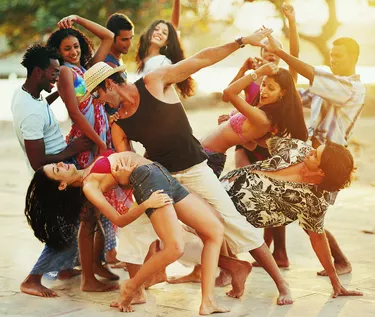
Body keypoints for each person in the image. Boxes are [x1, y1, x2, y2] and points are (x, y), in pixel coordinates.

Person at [83, 28, 295, 306]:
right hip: (162, 177)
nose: (98, 103)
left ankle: (281, 284)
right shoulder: (117, 121)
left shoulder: (154, 82)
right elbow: (130, 164)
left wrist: (242, 42)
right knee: (137, 228)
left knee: (232, 222)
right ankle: (137, 290)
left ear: (109, 85)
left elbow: (202, 59)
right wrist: (122, 183)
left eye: (97, 96)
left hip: (195, 168)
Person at [26, 150, 227, 315]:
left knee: (215, 230)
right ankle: (131, 285)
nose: (61, 164)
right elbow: (118, 220)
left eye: (57, 164)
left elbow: (120, 177)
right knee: (174, 247)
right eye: (57, 169)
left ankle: (207, 302)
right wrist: (146, 204)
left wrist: (123, 179)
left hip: (161, 174)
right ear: (62, 184)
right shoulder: (89, 187)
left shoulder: (88, 170)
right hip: (149, 181)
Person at [263, 34, 366, 275]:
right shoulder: (327, 86)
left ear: (354, 58)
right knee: (290, 203)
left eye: (338, 56)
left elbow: (312, 75)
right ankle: (279, 254)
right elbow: (294, 98)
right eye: (331, 55)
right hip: (311, 155)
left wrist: (280, 53)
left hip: (332, 161)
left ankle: (340, 261)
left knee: (309, 213)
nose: (332, 60)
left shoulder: (352, 89)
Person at [220, 136, 363, 298]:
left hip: (235, 217)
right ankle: (232, 269)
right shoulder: (298, 148)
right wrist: (239, 135)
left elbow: (317, 238)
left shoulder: (315, 200)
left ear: (322, 171)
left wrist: (335, 282)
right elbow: (261, 141)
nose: (311, 151)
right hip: (222, 187)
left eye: (315, 155)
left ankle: (235, 269)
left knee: (194, 239)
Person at [46, 14, 123, 289]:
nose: (74, 51)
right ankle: (88, 278)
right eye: (67, 49)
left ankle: (97, 264)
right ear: (59, 53)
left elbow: (108, 37)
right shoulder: (66, 72)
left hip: (100, 142)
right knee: (88, 213)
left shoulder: (88, 70)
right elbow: (75, 114)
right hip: (86, 145)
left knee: (100, 208)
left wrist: (78, 20)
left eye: (76, 46)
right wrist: (99, 144)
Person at [11, 44, 92, 297]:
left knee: (75, 220)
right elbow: (38, 163)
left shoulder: (27, 94)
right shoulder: (30, 113)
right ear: (37, 72)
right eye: (53, 73)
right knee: (66, 226)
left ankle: (65, 268)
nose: (57, 77)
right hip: (56, 174)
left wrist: (61, 93)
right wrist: (73, 149)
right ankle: (32, 279)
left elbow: (40, 104)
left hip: (63, 167)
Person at [224, 3, 299, 173]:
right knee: (240, 179)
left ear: (280, 55)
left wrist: (292, 23)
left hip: (270, 139)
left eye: (275, 49)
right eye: (266, 48)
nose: (271, 52)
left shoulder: (287, 79)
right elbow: (227, 95)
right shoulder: (252, 77)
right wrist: (243, 70)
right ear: (261, 53)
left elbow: (295, 55)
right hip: (246, 135)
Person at [201, 64, 308, 178]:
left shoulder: (262, 118)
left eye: (271, 88)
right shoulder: (259, 111)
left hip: (209, 158)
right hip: (201, 150)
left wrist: (258, 72)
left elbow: (229, 92)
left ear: (282, 93)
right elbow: (250, 145)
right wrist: (227, 125)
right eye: (263, 84)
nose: (263, 91)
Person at [135, 1, 194, 99]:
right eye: (156, 29)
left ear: (167, 42)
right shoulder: (144, 60)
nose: (159, 33)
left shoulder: (162, 62)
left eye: (164, 33)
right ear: (149, 32)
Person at [104, 13, 134, 118]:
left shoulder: (118, 58)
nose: (130, 43)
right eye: (124, 39)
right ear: (112, 38)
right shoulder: (107, 65)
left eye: (131, 38)